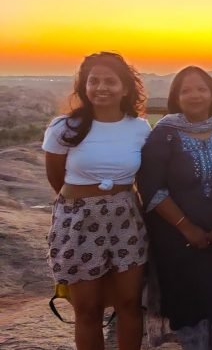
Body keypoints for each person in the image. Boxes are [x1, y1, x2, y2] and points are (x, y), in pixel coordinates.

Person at [138, 66, 212, 349]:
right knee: (187, 304)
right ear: (176, 97)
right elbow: (152, 189)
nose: (195, 95)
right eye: (186, 90)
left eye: (202, 89)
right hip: (178, 242)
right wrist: (187, 229)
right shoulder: (164, 133)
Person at [43, 51, 151, 350]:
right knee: (87, 309)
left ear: (126, 88)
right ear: (84, 86)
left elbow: (145, 176)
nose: (101, 87)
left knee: (129, 303)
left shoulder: (139, 128)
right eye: (94, 81)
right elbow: (56, 178)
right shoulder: (64, 127)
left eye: (110, 81)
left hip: (125, 219)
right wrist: (84, 203)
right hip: (78, 221)